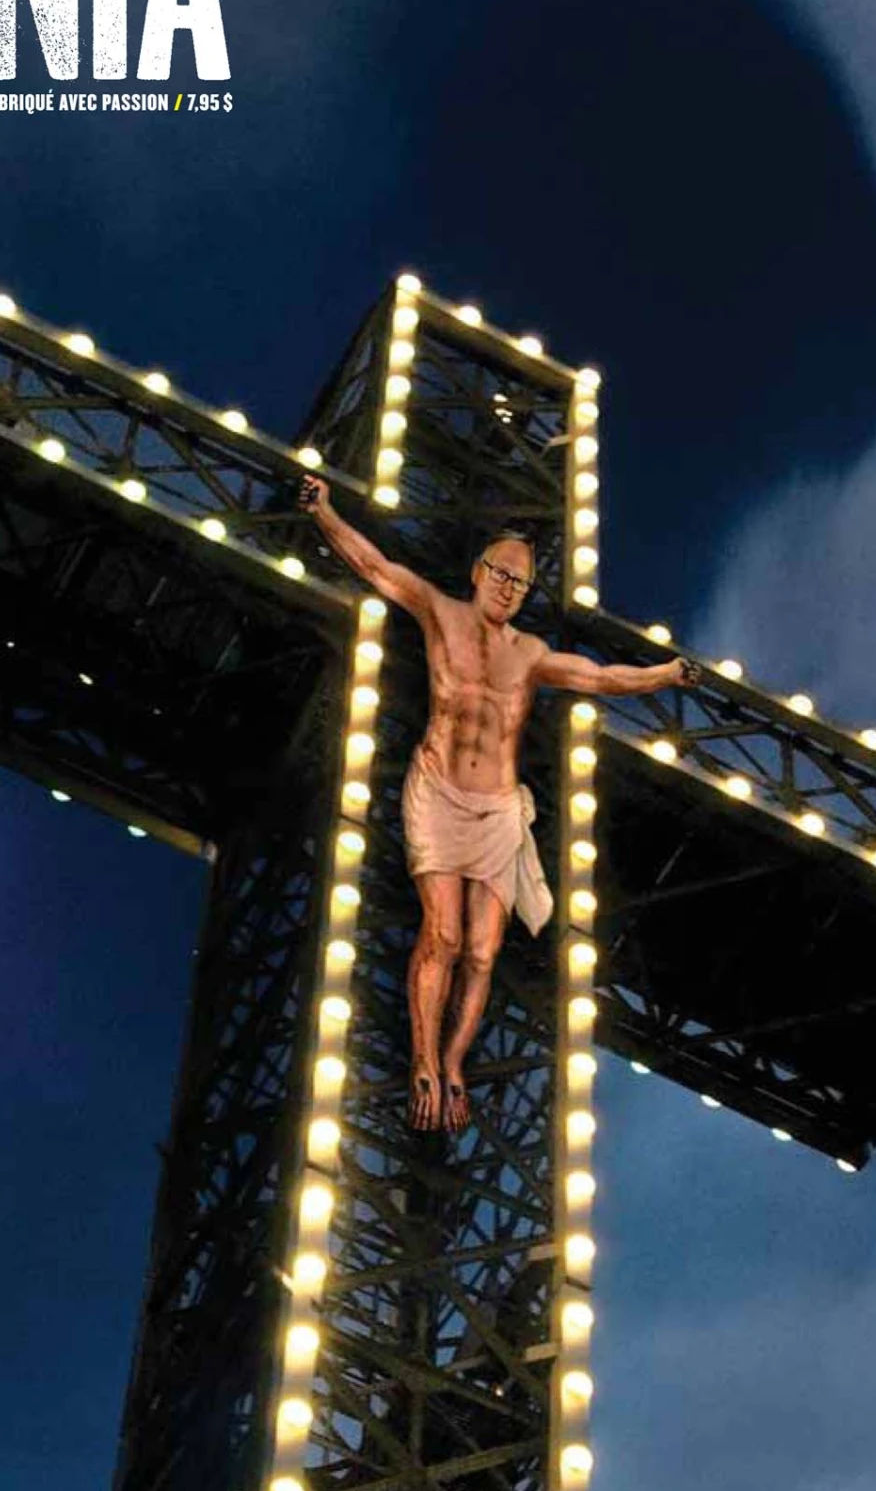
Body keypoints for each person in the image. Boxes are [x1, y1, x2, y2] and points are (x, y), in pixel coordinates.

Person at [298, 474, 700, 1132]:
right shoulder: (439, 612)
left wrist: (665, 674)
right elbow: (374, 565)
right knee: (443, 935)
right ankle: (423, 1058)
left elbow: (601, 678)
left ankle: (454, 1061)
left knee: (482, 952)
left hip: (498, 812)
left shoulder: (531, 654)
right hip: (438, 792)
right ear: (478, 572)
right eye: (502, 574)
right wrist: (324, 512)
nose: (510, 588)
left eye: (522, 583)